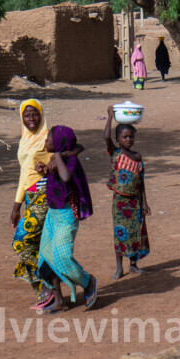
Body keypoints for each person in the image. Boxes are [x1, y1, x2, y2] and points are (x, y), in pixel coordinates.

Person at [35, 125, 98, 312]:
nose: (45, 142)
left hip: (66, 216)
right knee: (46, 257)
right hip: (53, 214)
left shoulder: (68, 160)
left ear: (60, 143)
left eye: (48, 138)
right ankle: (59, 300)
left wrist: (59, 156)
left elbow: (65, 176)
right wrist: (45, 171)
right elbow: (57, 179)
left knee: (62, 257)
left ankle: (87, 282)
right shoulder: (60, 158)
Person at [9, 98, 53, 307]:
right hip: (29, 197)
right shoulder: (24, 139)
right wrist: (16, 207)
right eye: (27, 115)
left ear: (41, 114)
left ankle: (48, 285)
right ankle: (44, 292)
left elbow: (59, 162)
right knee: (35, 245)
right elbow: (23, 174)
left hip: (44, 195)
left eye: (34, 114)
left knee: (21, 241)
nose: (31, 119)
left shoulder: (48, 138)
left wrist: (48, 170)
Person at [104, 113, 150, 279]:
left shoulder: (137, 157)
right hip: (120, 202)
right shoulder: (115, 153)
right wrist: (110, 116)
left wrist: (144, 203)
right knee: (120, 233)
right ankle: (119, 268)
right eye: (125, 137)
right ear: (118, 139)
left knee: (135, 233)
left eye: (131, 136)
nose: (129, 140)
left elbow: (141, 181)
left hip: (135, 201)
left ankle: (133, 265)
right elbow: (106, 136)